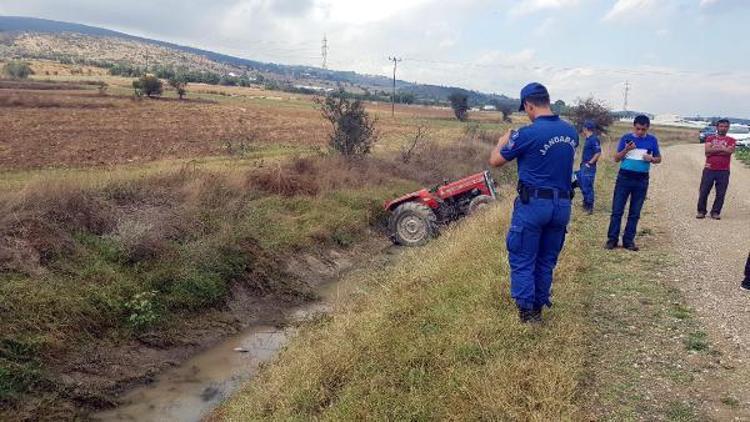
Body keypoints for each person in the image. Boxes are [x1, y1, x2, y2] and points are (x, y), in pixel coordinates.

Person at [489, 82, 578, 323]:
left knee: (523, 256)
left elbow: (495, 160)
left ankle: (527, 313)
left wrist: (503, 140)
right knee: (546, 259)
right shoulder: (571, 132)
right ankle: (538, 306)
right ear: (548, 100)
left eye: (525, 109)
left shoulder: (526, 134)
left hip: (533, 205)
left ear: (529, 105)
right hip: (561, 206)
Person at [605, 115, 662, 251]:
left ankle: (628, 241)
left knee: (635, 212)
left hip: (642, 179)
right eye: (638, 129)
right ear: (634, 127)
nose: (640, 132)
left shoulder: (652, 140)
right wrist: (626, 150)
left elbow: (659, 158)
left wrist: (652, 159)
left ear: (648, 128)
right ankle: (612, 240)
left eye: (643, 129)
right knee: (617, 211)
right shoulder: (626, 139)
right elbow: (616, 159)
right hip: (624, 177)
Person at [696, 119, 736, 220]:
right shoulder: (710, 138)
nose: (723, 128)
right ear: (717, 127)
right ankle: (701, 211)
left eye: (726, 126)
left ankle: (715, 212)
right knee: (704, 191)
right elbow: (708, 151)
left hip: (724, 170)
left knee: (721, 193)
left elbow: (729, 152)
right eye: (721, 126)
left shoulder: (731, 140)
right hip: (709, 168)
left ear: (728, 128)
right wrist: (723, 148)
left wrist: (716, 149)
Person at [577, 120, 602, 214]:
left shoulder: (594, 139)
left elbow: (598, 152)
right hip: (584, 165)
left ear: (586, 128)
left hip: (588, 166)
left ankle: (589, 207)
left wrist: (589, 163)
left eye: (583, 128)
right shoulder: (588, 139)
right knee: (583, 185)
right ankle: (585, 204)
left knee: (587, 187)